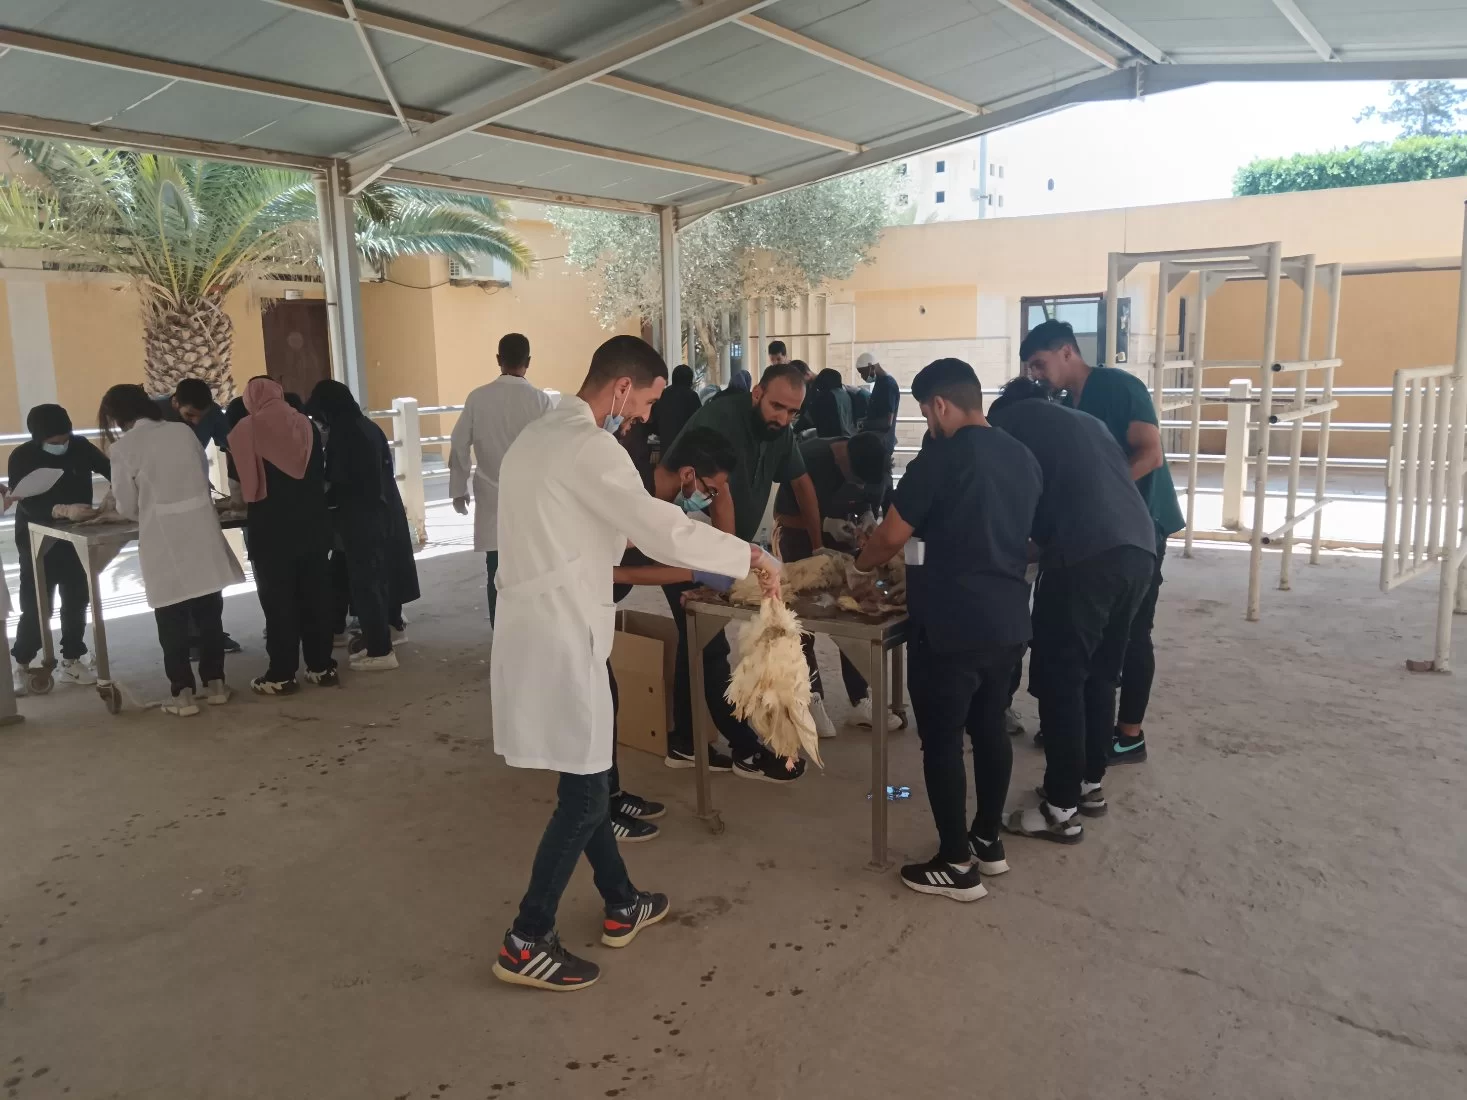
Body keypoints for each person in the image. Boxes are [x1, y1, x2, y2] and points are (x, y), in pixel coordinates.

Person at [490, 334, 776, 992]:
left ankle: (621, 902)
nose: (646, 415)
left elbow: (605, 532)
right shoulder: (589, 447)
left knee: (584, 778)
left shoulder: (539, 435)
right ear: (622, 388)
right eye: (646, 401)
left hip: (541, 624)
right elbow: (656, 526)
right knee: (587, 793)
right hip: (564, 633)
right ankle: (526, 940)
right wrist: (749, 556)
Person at [849, 359, 1041, 902]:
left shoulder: (941, 457)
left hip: (952, 625)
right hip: (1008, 620)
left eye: (926, 413)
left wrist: (859, 565)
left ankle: (955, 863)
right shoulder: (1022, 457)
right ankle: (987, 842)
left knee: (941, 741)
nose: (928, 424)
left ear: (939, 405)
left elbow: (891, 536)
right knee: (990, 729)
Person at [986, 377, 1157, 842]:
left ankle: (1059, 810)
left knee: (1062, 680)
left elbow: (1008, 507)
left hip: (1084, 561)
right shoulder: (1088, 423)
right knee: (1099, 674)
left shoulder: (1007, 425)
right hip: (1138, 551)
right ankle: (1088, 785)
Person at [1021, 319, 1184, 766]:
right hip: (1092, 532)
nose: (1035, 374)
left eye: (1040, 363)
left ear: (1067, 352)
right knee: (1081, 631)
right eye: (1030, 367)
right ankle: (1076, 726)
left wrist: (1097, 495)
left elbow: (1150, 452)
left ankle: (1129, 734)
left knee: (1131, 632)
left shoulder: (1119, 387)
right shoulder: (1061, 403)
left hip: (1140, 525)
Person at [657, 362, 823, 782]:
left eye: (793, 412)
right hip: (685, 546)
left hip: (708, 552)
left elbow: (801, 482)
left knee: (697, 638)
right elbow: (719, 496)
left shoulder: (780, 432)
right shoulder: (720, 422)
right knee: (710, 645)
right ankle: (745, 748)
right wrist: (723, 565)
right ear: (757, 394)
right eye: (777, 407)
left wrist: (817, 546)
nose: (783, 418)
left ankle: (684, 740)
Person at [606, 426, 745, 843]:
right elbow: (613, 570)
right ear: (688, 475)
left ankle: (609, 794)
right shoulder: (632, 496)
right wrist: (696, 572)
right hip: (571, 603)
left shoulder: (665, 504)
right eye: (710, 491)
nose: (711, 499)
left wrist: (703, 570)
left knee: (605, 699)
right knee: (596, 705)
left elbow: (682, 551)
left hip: (595, 602)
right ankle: (599, 812)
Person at [100, 384, 244, 716]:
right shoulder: (183, 433)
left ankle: (183, 695)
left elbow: (126, 507)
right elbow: (201, 477)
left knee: (172, 618)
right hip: (202, 530)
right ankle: (216, 685)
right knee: (209, 612)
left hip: (163, 538)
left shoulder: (124, 448)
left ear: (117, 417)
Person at [771, 432, 895, 735]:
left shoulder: (873, 461)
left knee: (852, 615)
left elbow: (871, 501)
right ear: (844, 460)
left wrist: (868, 518)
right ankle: (810, 698)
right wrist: (822, 526)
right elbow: (781, 516)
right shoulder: (808, 458)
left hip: (843, 546)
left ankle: (859, 700)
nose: (860, 487)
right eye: (856, 480)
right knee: (804, 619)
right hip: (800, 545)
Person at [228, 377, 337, 695]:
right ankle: (321, 668)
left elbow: (242, 485)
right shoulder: (306, 425)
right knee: (316, 598)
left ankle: (282, 674)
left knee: (279, 603)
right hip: (314, 525)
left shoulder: (246, 429)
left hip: (272, 528)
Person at [307, 380, 421, 672]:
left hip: (361, 519)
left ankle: (380, 652)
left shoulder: (346, 434)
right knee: (373, 581)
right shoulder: (366, 427)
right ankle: (377, 642)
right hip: (378, 515)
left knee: (367, 585)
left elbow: (341, 481)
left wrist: (320, 497)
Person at [448, 332, 554, 623]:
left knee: (495, 568)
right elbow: (553, 450)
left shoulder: (478, 398)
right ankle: (530, 628)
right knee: (531, 568)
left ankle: (501, 632)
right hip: (531, 499)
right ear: (528, 361)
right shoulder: (541, 402)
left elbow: (459, 443)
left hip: (492, 498)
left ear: (498, 359)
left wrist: (458, 489)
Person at [7, 404, 109, 693]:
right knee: (37, 606)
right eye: (54, 442)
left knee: (77, 598)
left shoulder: (80, 446)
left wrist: (119, 492)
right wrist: (59, 509)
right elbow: (23, 499)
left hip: (76, 535)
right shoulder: (22, 456)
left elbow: (111, 470)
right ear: (38, 438)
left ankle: (72, 659)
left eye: (65, 439)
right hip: (38, 539)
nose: (62, 445)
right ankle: (23, 662)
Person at [645, 363, 703, 451]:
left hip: (666, 447)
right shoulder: (692, 396)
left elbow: (653, 421)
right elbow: (699, 423)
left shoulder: (663, 394)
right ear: (690, 380)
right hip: (687, 447)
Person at [856, 351, 901, 454]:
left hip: (882, 443)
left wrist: (863, 424)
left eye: (862, 373)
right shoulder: (880, 382)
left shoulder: (888, 385)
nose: (862, 377)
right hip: (877, 440)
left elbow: (886, 422)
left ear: (871, 367)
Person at [803, 367, 856, 439]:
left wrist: (794, 430)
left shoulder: (826, 397)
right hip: (850, 436)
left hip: (834, 440)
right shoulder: (845, 394)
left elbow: (808, 419)